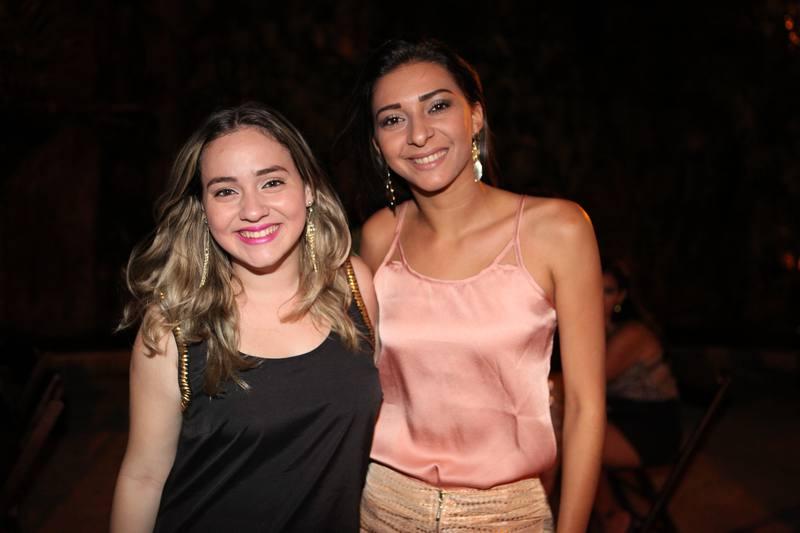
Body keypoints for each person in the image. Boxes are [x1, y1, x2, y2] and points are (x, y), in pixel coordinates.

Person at [340, 39, 605, 532]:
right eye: (393, 119)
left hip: (508, 515)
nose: (419, 133)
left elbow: (586, 407)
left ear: (476, 116)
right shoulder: (379, 236)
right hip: (383, 507)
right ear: (377, 144)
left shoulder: (558, 230)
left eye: (437, 106)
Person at [110, 103, 381, 532]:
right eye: (225, 191)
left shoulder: (352, 286)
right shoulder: (175, 325)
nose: (252, 210)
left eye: (271, 182)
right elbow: (143, 477)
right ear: (203, 208)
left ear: (308, 189)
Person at [594, 260, 681, 532]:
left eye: (608, 291)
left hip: (652, 429)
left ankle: (612, 519)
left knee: (572, 441)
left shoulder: (632, 334)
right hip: (623, 418)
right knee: (563, 430)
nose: (598, 298)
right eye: (592, 288)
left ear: (620, 297)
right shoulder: (599, 330)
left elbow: (585, 382)